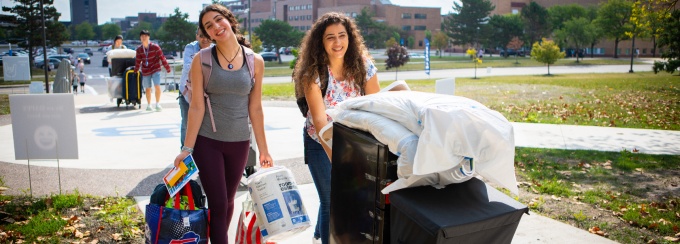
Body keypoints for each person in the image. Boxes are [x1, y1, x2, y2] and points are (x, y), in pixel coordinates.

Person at [173, 4, 273, 244]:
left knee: (228, 201)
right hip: (208, 142)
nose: (216, 27)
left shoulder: (255, 61)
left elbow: (256, 108)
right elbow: (196, 106)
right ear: (206, 34)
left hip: (239, 142)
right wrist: (187, 148)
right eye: (209, 25)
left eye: (219, 20)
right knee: (218, 203)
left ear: (230, 20)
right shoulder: (202, 60)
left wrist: (264, 150)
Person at [293, 12, 380, 244]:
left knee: (350, 198)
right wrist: (339, 160)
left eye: (342, 35)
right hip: (320, 142)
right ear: (321, 42)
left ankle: (320, 235)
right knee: (331, 200)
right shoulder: (314, 73)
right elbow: (321, 123)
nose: (337, 42)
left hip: (354, 141)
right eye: (330, 37)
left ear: (350, 37)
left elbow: (377, 107)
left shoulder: (364, 66)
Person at [179, 28, 213, 147]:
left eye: (207, 36)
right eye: (201, 36)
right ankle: (185, 153)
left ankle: (200, 150)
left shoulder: (215, 49)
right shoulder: (190, 48)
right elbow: (189, 67)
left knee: (205, 125)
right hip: (187, 93)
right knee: (187, 124)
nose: (205, 39)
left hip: (205, 94)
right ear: (197, 36)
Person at [134, 29, 171, 112]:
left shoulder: (155, 47)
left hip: (155, 68)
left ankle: (157, 103)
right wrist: (135, 70)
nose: (144, 38)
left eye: (145, 36)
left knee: (157, 86)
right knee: (148, 88)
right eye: (142, 36)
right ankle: (149, 104)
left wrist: (167, 67)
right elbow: (138, 61)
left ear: (149, 37)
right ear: (140, 38)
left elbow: (162, 57)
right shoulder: (139, 49)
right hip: (146, 70)